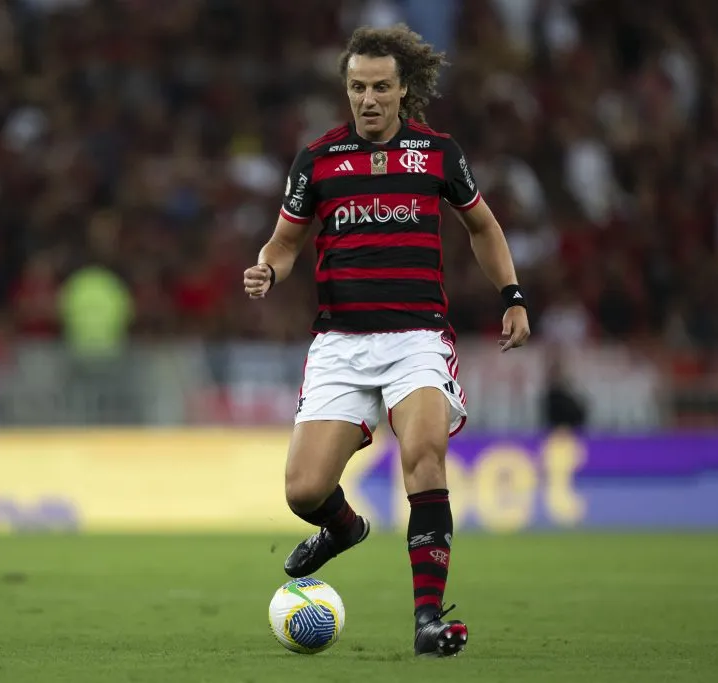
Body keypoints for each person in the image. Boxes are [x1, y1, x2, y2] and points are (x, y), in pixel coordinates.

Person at [242, 24, 530, 657]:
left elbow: (483, 226)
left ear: (404, 91)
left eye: (379, 87)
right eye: (355, 87)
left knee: (423, 455)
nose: (367, 99)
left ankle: (429, 619)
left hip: (416, 337)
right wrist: (268, 267)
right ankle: (342, 529)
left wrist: (511, 294)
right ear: (345, 90)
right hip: (341, 344)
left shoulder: (438, 154)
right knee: (303, 492)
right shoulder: (317, 160)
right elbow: (285, 244)